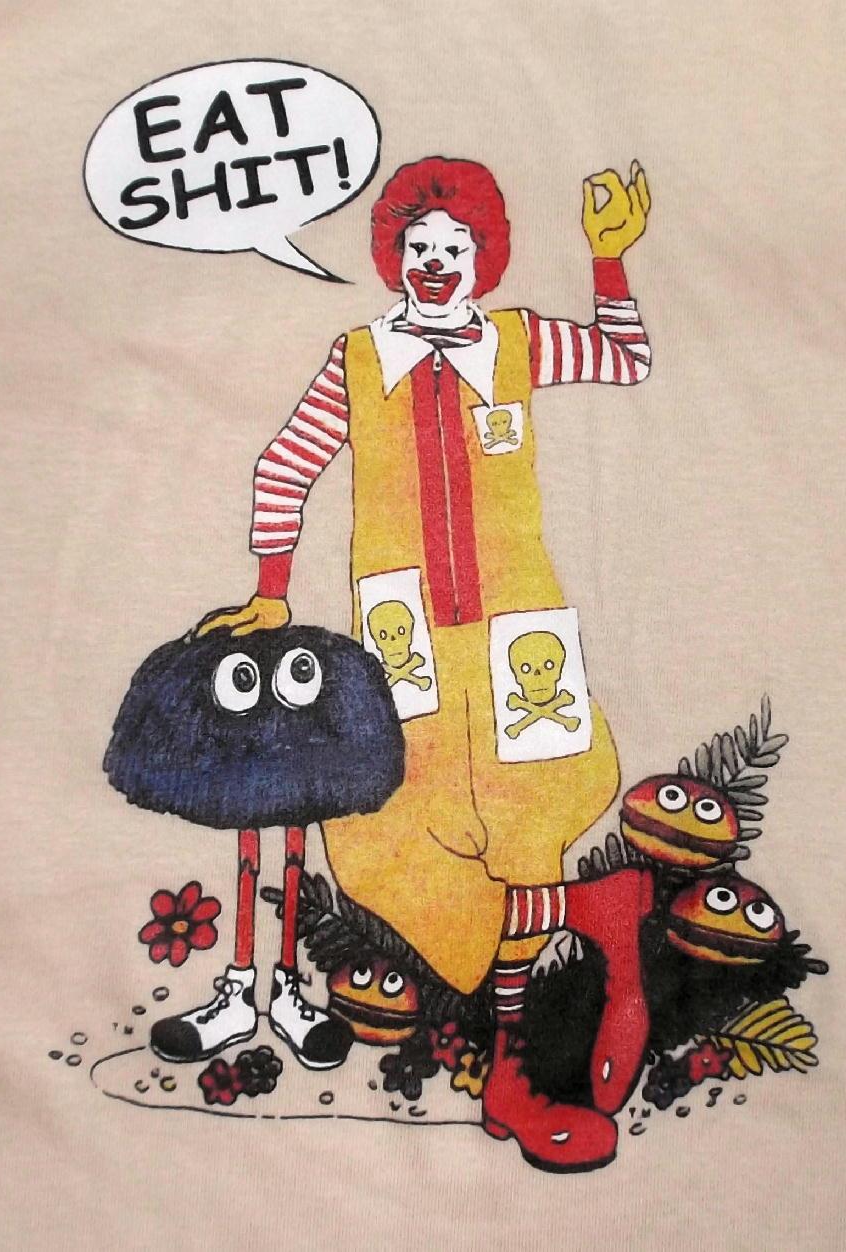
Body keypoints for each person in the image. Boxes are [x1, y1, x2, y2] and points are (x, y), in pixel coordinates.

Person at [200, 156, 655, 1170]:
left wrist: (609, 259)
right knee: (377, 846)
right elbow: (284, 464)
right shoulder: (360, 359)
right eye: (419, 246)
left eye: (457, 247)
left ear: (484, 259)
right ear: (393, 256)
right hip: (403, 643)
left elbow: (627, 360)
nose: (437, 262)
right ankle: (597, 913)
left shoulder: (517, 342)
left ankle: (515, 1074)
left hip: (518, 642)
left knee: (528, 826)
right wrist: (272, 588)